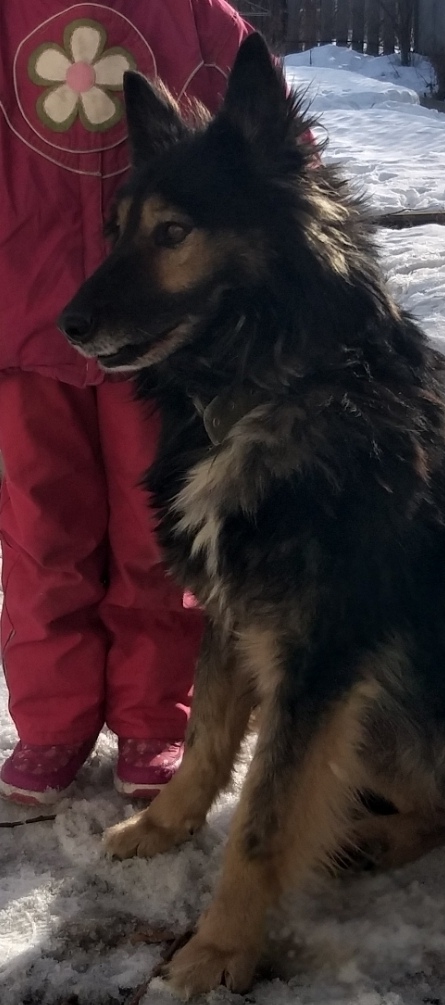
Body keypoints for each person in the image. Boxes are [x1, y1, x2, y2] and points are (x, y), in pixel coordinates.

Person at [0, 0, 253, 805]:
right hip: (24, 312)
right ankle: (52, 720)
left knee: (155, 532)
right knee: (41, 531)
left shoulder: (193, 15)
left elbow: (266, 154)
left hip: (155, 330)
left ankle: (154, 713)